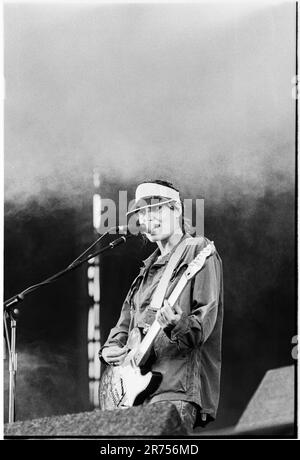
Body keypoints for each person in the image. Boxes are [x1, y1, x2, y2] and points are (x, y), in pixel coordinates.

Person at [99, 179, 223, 433]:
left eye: (155, 209)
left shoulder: (198, 252)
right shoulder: (145, 273)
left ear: (176, 209)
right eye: (142, 212)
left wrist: (177, 324)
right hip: (133, 398)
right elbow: (122, 328)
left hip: (172, 388)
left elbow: (202, 327)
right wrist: (109, 350)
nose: (147, 218)